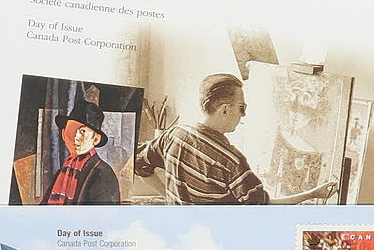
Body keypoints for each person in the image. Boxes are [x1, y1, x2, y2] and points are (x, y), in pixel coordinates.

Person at [136, 72, 336, 205]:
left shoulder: (174, 134)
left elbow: (139, 164)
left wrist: (169, 198)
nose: (244, 115)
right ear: (225, 109)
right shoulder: (231, 162)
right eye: (242, 108)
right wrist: (312, 193)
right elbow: (265, 208)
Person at [42, 94, 121, 206]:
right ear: (64, 134)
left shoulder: (103, 174)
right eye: (72, 130)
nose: (76, 137)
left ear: (96, 139)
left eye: (83, 131)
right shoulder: (62, 172)